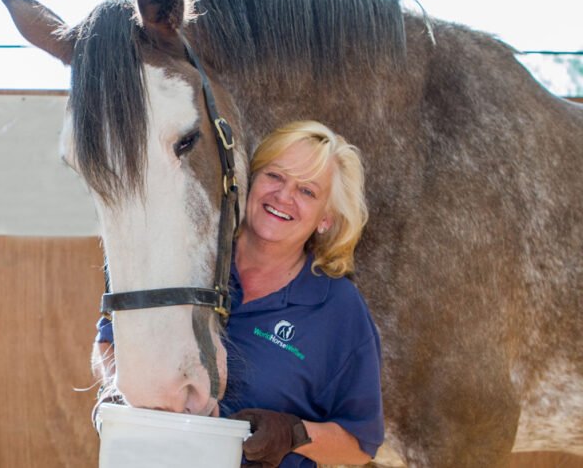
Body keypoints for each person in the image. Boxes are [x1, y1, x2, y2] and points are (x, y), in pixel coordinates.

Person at [92, 120, 384, 467]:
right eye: (275, 176)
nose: (284, 196)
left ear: (326, 219)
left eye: (307, 191)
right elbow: (109, 342)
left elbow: (359, 445)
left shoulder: (337, 309)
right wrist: (117, 389)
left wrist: (292, 433)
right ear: (248, 182)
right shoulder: (185, 261)